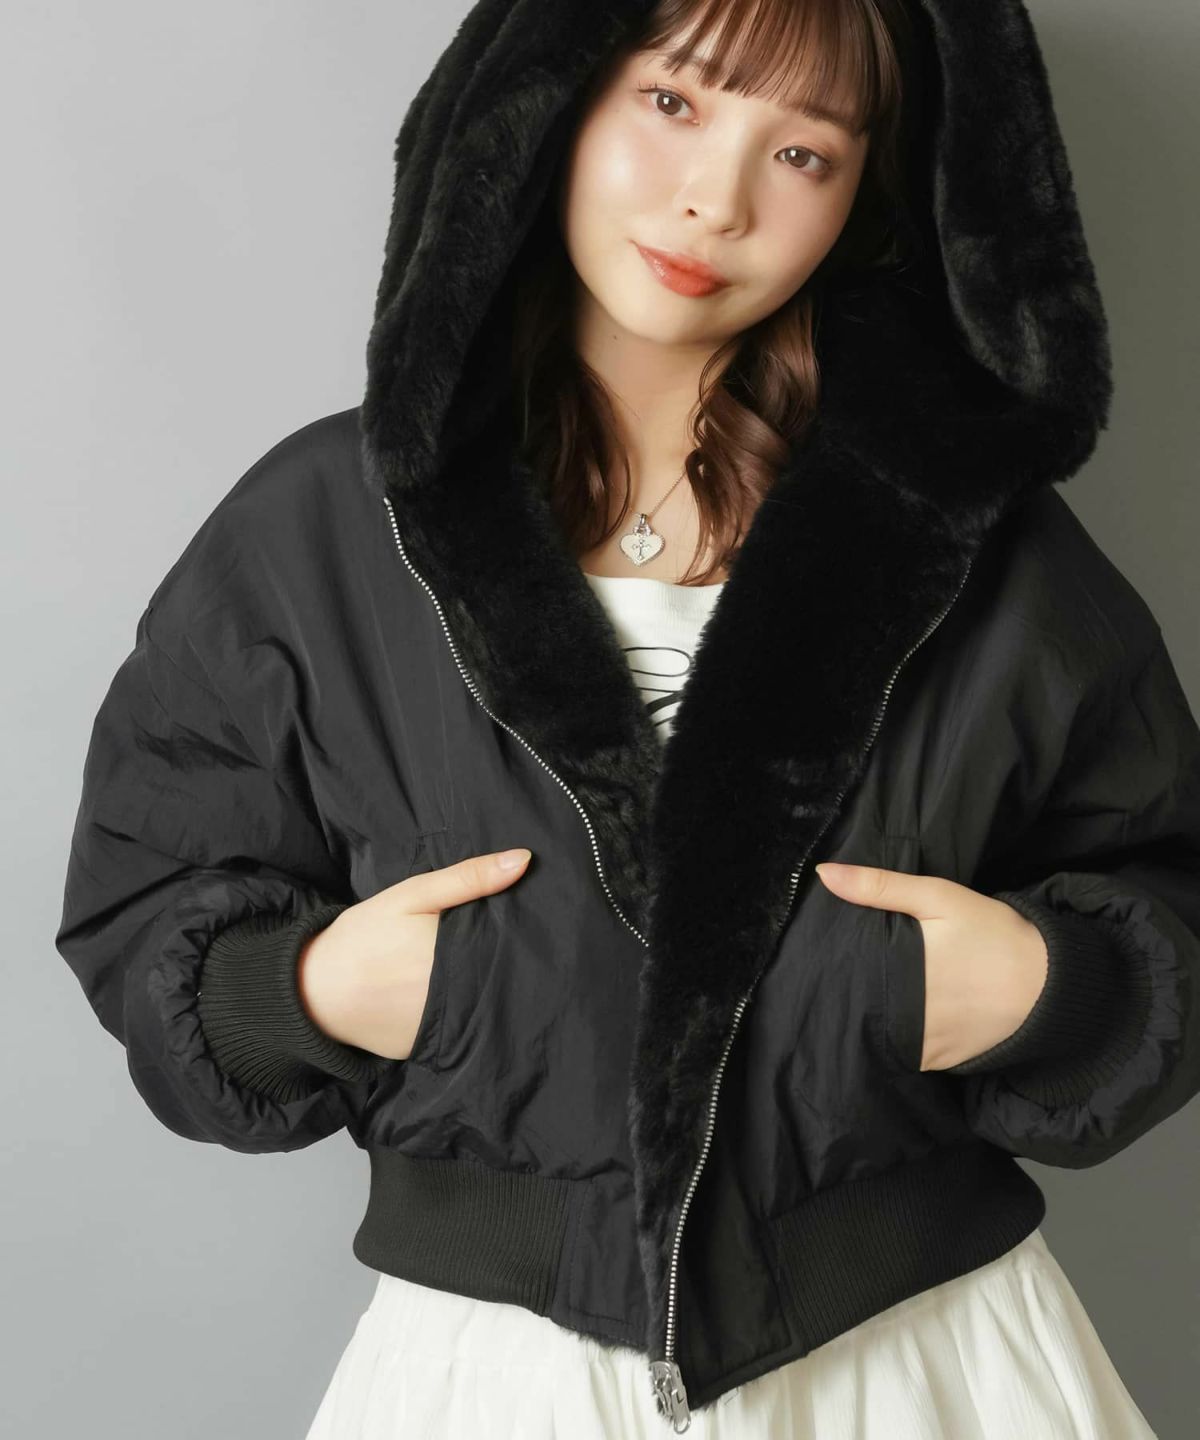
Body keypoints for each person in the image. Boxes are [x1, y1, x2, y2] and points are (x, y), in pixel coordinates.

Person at [54, 0, 1199, 1435]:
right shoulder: (325, 527)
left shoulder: (974, 544)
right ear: (553, 96)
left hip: (927, 1360)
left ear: (865, 200)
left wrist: (1037, 985)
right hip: (491, 1376)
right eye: (675, 102)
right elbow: (145, 897)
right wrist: (323, 991)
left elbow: (1170, 884)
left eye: (803, 152)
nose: (717, 198)